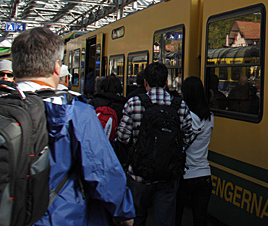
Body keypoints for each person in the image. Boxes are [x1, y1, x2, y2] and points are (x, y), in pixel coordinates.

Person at [11, 27, 134, 225]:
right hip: (59, 217)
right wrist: (124, 212)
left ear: (15, 67)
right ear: (57, 68)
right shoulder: (75, 112)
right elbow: (102, 172)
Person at [116, 62, 194, 226]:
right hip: (169, 175)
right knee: (164, 220)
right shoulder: (180, 105)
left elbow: (123, 137)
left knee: (136, 217)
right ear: (166, 82)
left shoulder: (134, 103)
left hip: (139, 174)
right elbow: (188, 136)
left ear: (145, 82)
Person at [175, 77, 214, 226]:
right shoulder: (210, 117)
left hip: (184, 174)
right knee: (200, 219)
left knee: (176, 216)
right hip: (204, 173)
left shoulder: (185, 117)